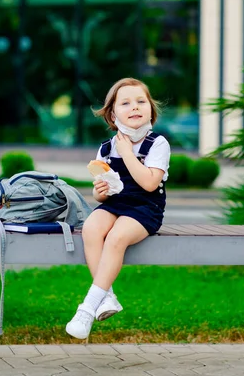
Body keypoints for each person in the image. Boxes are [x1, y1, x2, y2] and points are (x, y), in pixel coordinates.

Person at [66, 77, 171, 339]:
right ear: (113, 114)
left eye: (140, 101)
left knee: (115, 238)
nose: (134, 107)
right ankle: (108, 296)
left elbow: (148, 183)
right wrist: (98, 193)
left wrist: (127, 153)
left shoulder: (157, 144)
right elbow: (105, 190)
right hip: (116, 204)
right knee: (91, 228)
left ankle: (88, 308)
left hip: (145, 208)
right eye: (126, 103)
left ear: (150, 108)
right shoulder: (106, 148)